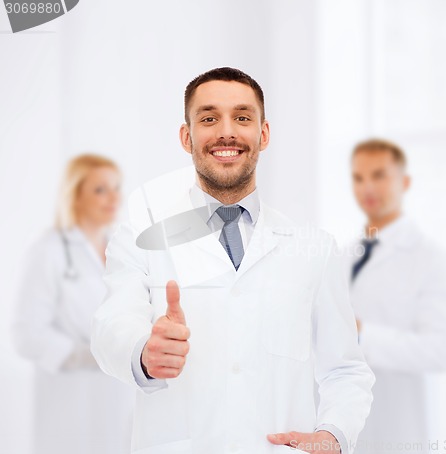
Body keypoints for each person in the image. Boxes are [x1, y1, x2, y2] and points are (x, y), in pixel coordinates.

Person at [91, 67, 375, 454]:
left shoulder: (314, 247)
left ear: (263, 134)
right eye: (209, 119)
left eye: (242, 118)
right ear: (186, 137)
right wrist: (144, 352)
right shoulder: (141, 237)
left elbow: (345, 368)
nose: (227, 132)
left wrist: (334, 434)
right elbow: (110, 327)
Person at [347, 139, 446, 454]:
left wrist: (361, 334)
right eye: (358, 178)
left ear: (405, 182)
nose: (367, 187)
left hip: (399, 429)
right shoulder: (345, 256)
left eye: (379, 175)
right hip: (345, 427)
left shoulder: (433, 259)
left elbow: (444, 350)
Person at [12, 154, 135, 454]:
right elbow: (26, 335)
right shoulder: (48, 249)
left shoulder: (123, 250)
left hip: (119, 398)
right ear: (75, 195)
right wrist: (87, 356)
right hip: (69, 401)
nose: (113, 197)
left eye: (116, 187)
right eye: (100, 189)